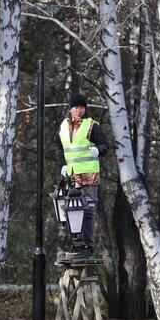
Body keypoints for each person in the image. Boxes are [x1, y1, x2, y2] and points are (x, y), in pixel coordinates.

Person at [58, 93, 109, 257]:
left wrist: (98, 150)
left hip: (89, 176)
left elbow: (105, 145)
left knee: (88, 211)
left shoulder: (91, 126)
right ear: (70, 109)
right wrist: (63, 165)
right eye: (76, 107)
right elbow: (59, 147)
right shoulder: (63, 127)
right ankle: (76, 245)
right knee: (72, 211)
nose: (79, 110)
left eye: (82, 107)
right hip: (72, 177)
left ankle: (87, 247)